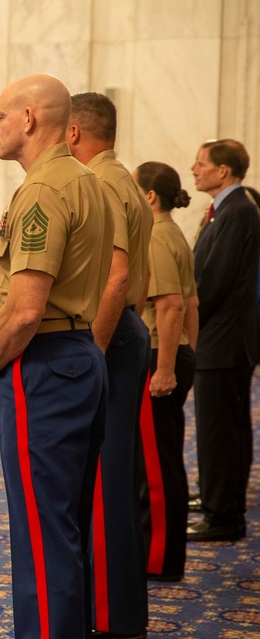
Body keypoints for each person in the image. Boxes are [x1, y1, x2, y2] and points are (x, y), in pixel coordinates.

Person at [0, 74, 114, 639]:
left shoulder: (44, 190)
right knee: (68, 522)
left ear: (30, 118)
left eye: (0, 115)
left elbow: (25, 311)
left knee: (42, 528)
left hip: (45, 363)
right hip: (79, 353)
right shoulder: (89, 181)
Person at [67, 91, 152, 639]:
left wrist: (90, 353)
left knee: (104, 480)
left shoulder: (100, 182)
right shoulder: (122, 177)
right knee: (114, 476)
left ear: (73, 132)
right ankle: (118, 610)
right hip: (123, 331)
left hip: (109, 337)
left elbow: (117, 278)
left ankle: (110, 616)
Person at [187, 138, 259, 542]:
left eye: (201, 164)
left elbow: (214, 282)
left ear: (224, 171)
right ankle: (216, 497)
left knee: (222, 430)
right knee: (220, 429)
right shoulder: (225, 210)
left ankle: (224, 516)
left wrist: (189, 317)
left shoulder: (238, 212)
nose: (194, 169)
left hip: (224, 340)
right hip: (220, 338)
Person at [134, 161, 198, 582]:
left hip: (160, 355)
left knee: (156, 467)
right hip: (172, 351)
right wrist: (191, 352)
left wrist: (168, 368)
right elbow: (192, 305)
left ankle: (158, 558)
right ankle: (162, 552)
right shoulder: (171, 232)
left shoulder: (156, 235)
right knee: (162, 458)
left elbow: (172, 305)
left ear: (150, 197)